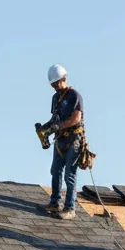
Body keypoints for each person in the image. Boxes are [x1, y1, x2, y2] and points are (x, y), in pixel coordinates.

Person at [39, 64, 84, 220]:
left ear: (64, 79)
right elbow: (55, 118)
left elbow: (75, 118)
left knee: (69, 175)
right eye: (52, 85)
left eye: (56, 83)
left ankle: (70, 208)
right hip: (60, 140)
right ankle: (54, 203)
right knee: (55, 170)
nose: (54, 87)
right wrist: (46, 127)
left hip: (73, 140)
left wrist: (57, 127)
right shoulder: (55, 98)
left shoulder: (74, 96)